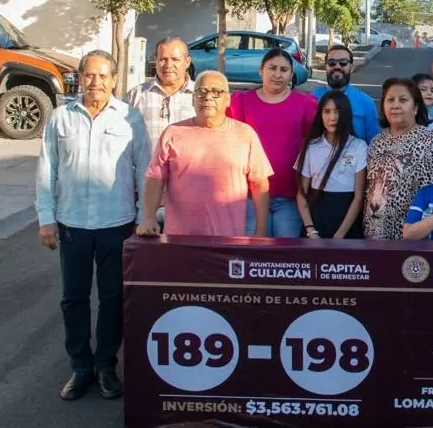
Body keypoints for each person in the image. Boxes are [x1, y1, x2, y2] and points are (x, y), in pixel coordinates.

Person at [34, 50, 150, 401]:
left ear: (115, 79)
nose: (95, 82)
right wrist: (46, 219)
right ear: (80, 77)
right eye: (89, 75)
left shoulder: (130, 118)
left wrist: (145, 216)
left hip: (116, 223)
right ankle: (80, 367)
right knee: (74, 298)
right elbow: (46, 170)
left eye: (103, 76)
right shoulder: (60, 118)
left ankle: (105, 366)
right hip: (72, 224)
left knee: (113, 297)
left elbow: (144, 171)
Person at [136, 71, 274, 238]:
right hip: (180, 238)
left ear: (228, 99)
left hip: (228, 239)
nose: (208, 97)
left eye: (216, 92)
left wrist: (260, 231)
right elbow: (155, 178)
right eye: (201, 91)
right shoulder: (173, 133)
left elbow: (259, 184)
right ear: (193, 99)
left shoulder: (245, 134)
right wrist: (149, 218)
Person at [228, 48, 316, 237]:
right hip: (251, 196)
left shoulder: (305, 104)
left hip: (289, 197)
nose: (277, 75)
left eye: (284, 70)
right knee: (254, 256)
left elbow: (316, 142)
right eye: (272, 68)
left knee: (285, 255)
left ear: (291, 74)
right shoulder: (242, 102)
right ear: (261, 70)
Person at [125, 36, 197, 228]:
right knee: (147, 255)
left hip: (189, 198)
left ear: (187, 62)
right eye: (163, 59)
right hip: (145, 197)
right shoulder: (137, 96)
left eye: (175, 59)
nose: (168, 65)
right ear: (155, 61)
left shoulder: (201, 95)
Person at [364, 78, 433, 240]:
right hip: (373, 235)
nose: (395, 105)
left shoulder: (426, 141)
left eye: (403, 100)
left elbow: (432, 195)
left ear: (415, 107)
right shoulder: (376, 141)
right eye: (390, 100)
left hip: (409, 238)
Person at [295, 90, 368, 239]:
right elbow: (301, 195)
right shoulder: (311, 147)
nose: (332, 117)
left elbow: (358, 197)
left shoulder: (359, 147)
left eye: (337, 111)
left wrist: (340, 235)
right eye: (327, 112)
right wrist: (311, 230)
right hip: (316, 220)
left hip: (347, 221)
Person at [314, 44, 381, 142]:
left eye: (343, 63)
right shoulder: (313, 99)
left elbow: (373, 143)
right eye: (331, 63)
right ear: (326, 67)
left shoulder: (366, 103)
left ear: (352, 67)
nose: (337, 66)